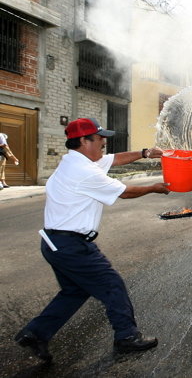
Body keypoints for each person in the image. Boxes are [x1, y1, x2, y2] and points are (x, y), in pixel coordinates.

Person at [14, 118, 170, 362]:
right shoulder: (83, 171)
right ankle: (127, 338)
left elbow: (115, 159)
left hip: (56, 243)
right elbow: (125, 192)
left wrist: (145, 153)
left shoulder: (80, 160)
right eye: (99, 138)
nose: (104, 142)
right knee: (112, 285)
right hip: (71, 245)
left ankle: (36, 333)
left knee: (74, 291)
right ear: (84, 141)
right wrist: (155, 187)